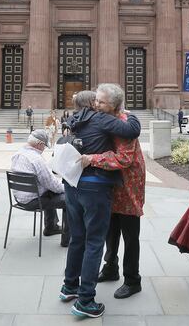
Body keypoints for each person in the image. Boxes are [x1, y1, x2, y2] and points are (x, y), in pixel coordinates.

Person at [61, 85, 141, 319]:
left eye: (101, 102)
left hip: (72, 185)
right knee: (95, 242)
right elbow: (132, 130)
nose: (97, 105)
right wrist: (132, 115)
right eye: (96, 101)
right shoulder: (102, 119)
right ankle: (85, 300)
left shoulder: (75, 118)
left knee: (78, 238)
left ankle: (69, 287)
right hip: (94, 186)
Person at [86, 103, 146, 300]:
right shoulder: (110, 121)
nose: (96, 104)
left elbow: (125, 159)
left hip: (128, 187)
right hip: (113, 185)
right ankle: (110, 268)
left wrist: (92, 159)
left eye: (101, 101)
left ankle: (132, 280)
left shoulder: (123, 125)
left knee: (130, 236)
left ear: (113, 105)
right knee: (111, 231)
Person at [10, 129, 69, 246]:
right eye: (44, 146)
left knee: (47, 192)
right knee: (68, 199)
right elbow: (53, 185)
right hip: (33, 201)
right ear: (40, 144)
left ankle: (51, 226)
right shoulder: (36, 159)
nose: (44, 149)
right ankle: (67, 240)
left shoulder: (17, 154)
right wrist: (68, 188)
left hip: (19, 198)